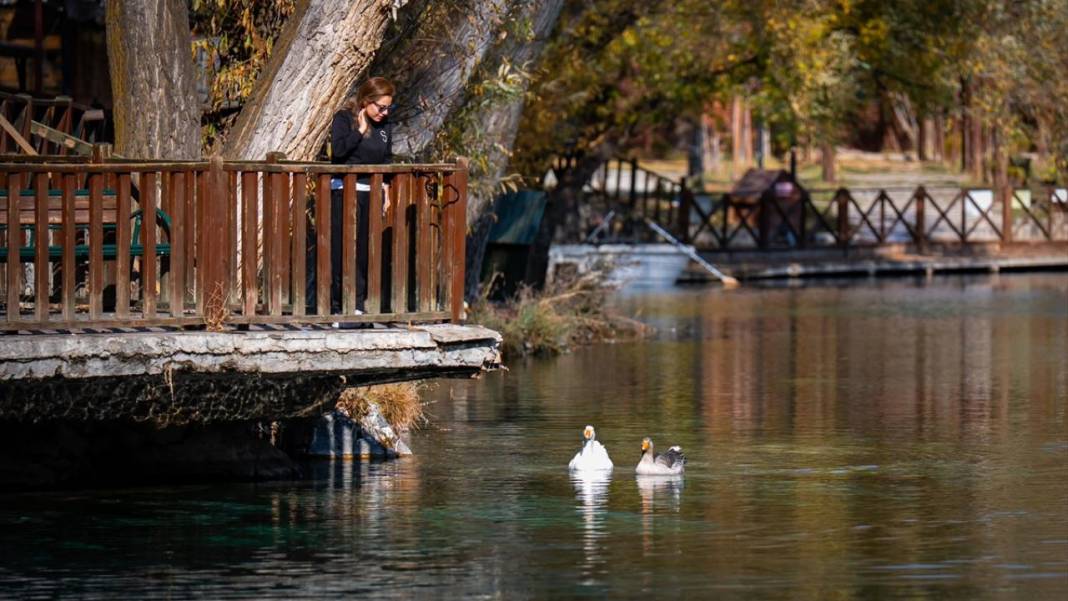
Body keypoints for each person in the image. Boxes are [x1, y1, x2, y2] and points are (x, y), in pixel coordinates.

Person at [308, 76, 394, 314]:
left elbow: (386, 160)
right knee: (341, 248)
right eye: (381, 107)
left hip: (371, 193)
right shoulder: (344, 119)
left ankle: (357, 306)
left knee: (364, 251)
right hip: (344, 192)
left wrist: (386, 190)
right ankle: (337, 307)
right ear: (367, 101)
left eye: (389, 107)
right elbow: (339, 151)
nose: (385, 113)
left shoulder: (386, 126)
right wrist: (361, 130)